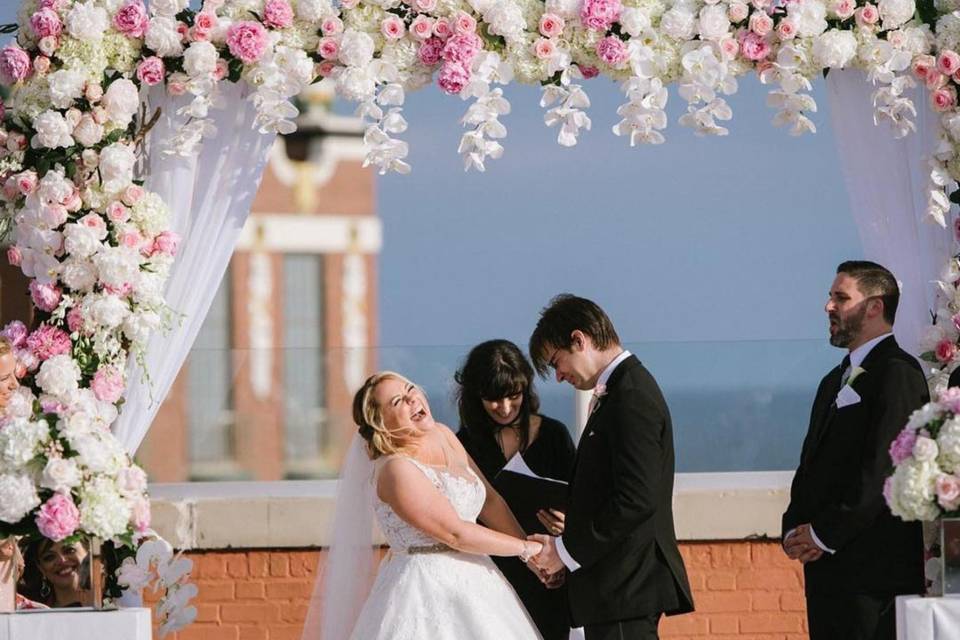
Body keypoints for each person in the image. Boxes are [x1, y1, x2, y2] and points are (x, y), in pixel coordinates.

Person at [305, 371, 544, 640]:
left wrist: (534, 560)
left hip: (480, 583)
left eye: (410, 389)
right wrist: (526, 549)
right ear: (380, 422)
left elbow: (489, 501)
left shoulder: (443, 435)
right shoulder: (395, 469)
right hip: (424, 592)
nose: (412, 399)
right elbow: (455, 533)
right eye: (397, 402)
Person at [526, 294, 694, 640]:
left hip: (626, 587)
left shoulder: (631, 396)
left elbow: (636, 497)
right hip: (615, 589)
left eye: (557, 362)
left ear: (579, 339)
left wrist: (565, 552)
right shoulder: (620, 392)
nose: (558, 376)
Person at [781, 260, 928, 640]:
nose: (828, 307)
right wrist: (796, 527)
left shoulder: (899, 373)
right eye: (831, 297)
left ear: (874, 306)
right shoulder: (833, 380)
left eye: (841, 298)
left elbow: (884, 470)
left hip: (873, 577)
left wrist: (824, 534)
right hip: (829, 572)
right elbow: (812, 462)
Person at [456, 339, 576, 640]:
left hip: (551, 573)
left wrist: (567, 523)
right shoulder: (462, 445)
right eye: (494, 399)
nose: (505, 408)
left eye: (513, 395)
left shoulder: (553, 435)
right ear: (475, 396)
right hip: (491, 575)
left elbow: (580, 498)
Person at [18, 538, 92, 608]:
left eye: (69, 550)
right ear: (41, 568)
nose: (62, 560)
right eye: (50, 557)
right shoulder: (31, 610)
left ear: (88, 552)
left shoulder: (103, 605)